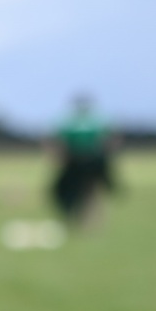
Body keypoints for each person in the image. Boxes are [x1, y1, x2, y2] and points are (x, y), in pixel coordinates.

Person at [49, 94, 118, 226]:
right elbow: (111, 140)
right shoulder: (88, 121)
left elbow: (57, 142)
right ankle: (81, 220)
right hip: (78, 162)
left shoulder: (91, 121)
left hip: (85, 162)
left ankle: (90, 221)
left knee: (88, 191)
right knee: (83, 191)